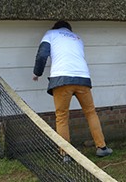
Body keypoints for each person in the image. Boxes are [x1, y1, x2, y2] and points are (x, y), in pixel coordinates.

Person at [33, 20, 112, 157]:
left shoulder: (51, 34)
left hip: (61, 79)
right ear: (69, 29)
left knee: (62, 116)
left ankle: (65, 154)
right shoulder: (77, 38)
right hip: (82, 78)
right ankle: (102, 147)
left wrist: (37, 73)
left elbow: (42, 55)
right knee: (90, 112)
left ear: (55, 27)